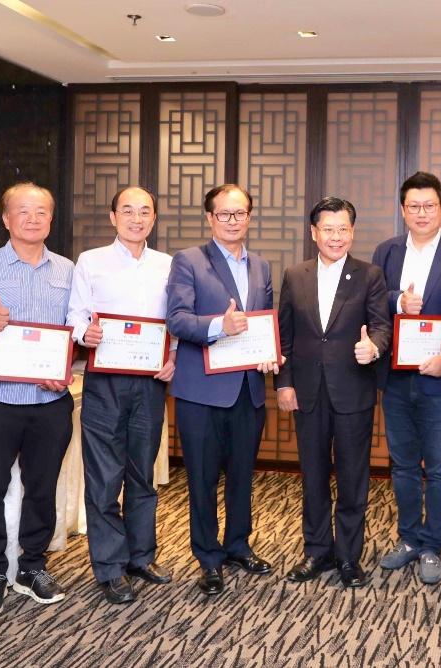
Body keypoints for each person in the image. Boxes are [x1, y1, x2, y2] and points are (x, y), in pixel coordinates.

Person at [0, 182, 75, 616]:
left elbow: (77, 333)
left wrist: (63, 366)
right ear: (6, 219)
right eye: (22, 211)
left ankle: (32, 567)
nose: (32, 218)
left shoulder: (68, 270)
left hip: (50, 400)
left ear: (51, 218)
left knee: (42, 488)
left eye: (41, 211)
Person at [165, 184, 279, 596]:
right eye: (225, 214)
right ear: (210, 218)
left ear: (250, 217)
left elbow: (263, 322)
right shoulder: (189, 261)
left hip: (248, 389)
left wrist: (269, 354)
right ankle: (208, 557)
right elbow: (176, 319)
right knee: (201, 478)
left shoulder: (262, 266)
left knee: (243, 476)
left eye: (241, 213)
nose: (234, 221)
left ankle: (238, 545)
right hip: (202, 393)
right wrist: (218, 326)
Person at [67, 186, 175, 604]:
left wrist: (176, 358)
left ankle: (141, 557)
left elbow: (175, 320)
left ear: (153, 218)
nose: (136, 218)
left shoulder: (167, 265)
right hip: (105, 381)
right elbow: (75, 313)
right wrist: (83, 332)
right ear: (113, 217)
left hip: (150, 381)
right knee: (104, 477)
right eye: (127, 210)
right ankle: (110, 566)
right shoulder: (91, 262)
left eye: (144, 211)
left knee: (142, 474)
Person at [276, 197, 391, 588]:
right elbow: (285, 335)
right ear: (314, 233)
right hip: (307, 391)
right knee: (312, 474)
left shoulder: (369, 275)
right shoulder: (295, 275)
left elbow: (381, 326)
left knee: (353, 475)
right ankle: (316, 550)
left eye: (343, 229)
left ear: (353, 232)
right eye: (328, 229)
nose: (336, 236)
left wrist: (373, 347)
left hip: (352, 390)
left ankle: (348, 556)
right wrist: (284, 382)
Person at [371, 171, 441, 585]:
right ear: (402, 210)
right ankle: (408, 538)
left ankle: (433, 543)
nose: (421, 213)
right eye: (413, 206)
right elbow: (370, 301)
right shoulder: (386, 251)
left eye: (429, 205)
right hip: (396, 377)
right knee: (401, 466)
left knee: (439, 468)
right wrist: (399, 299)